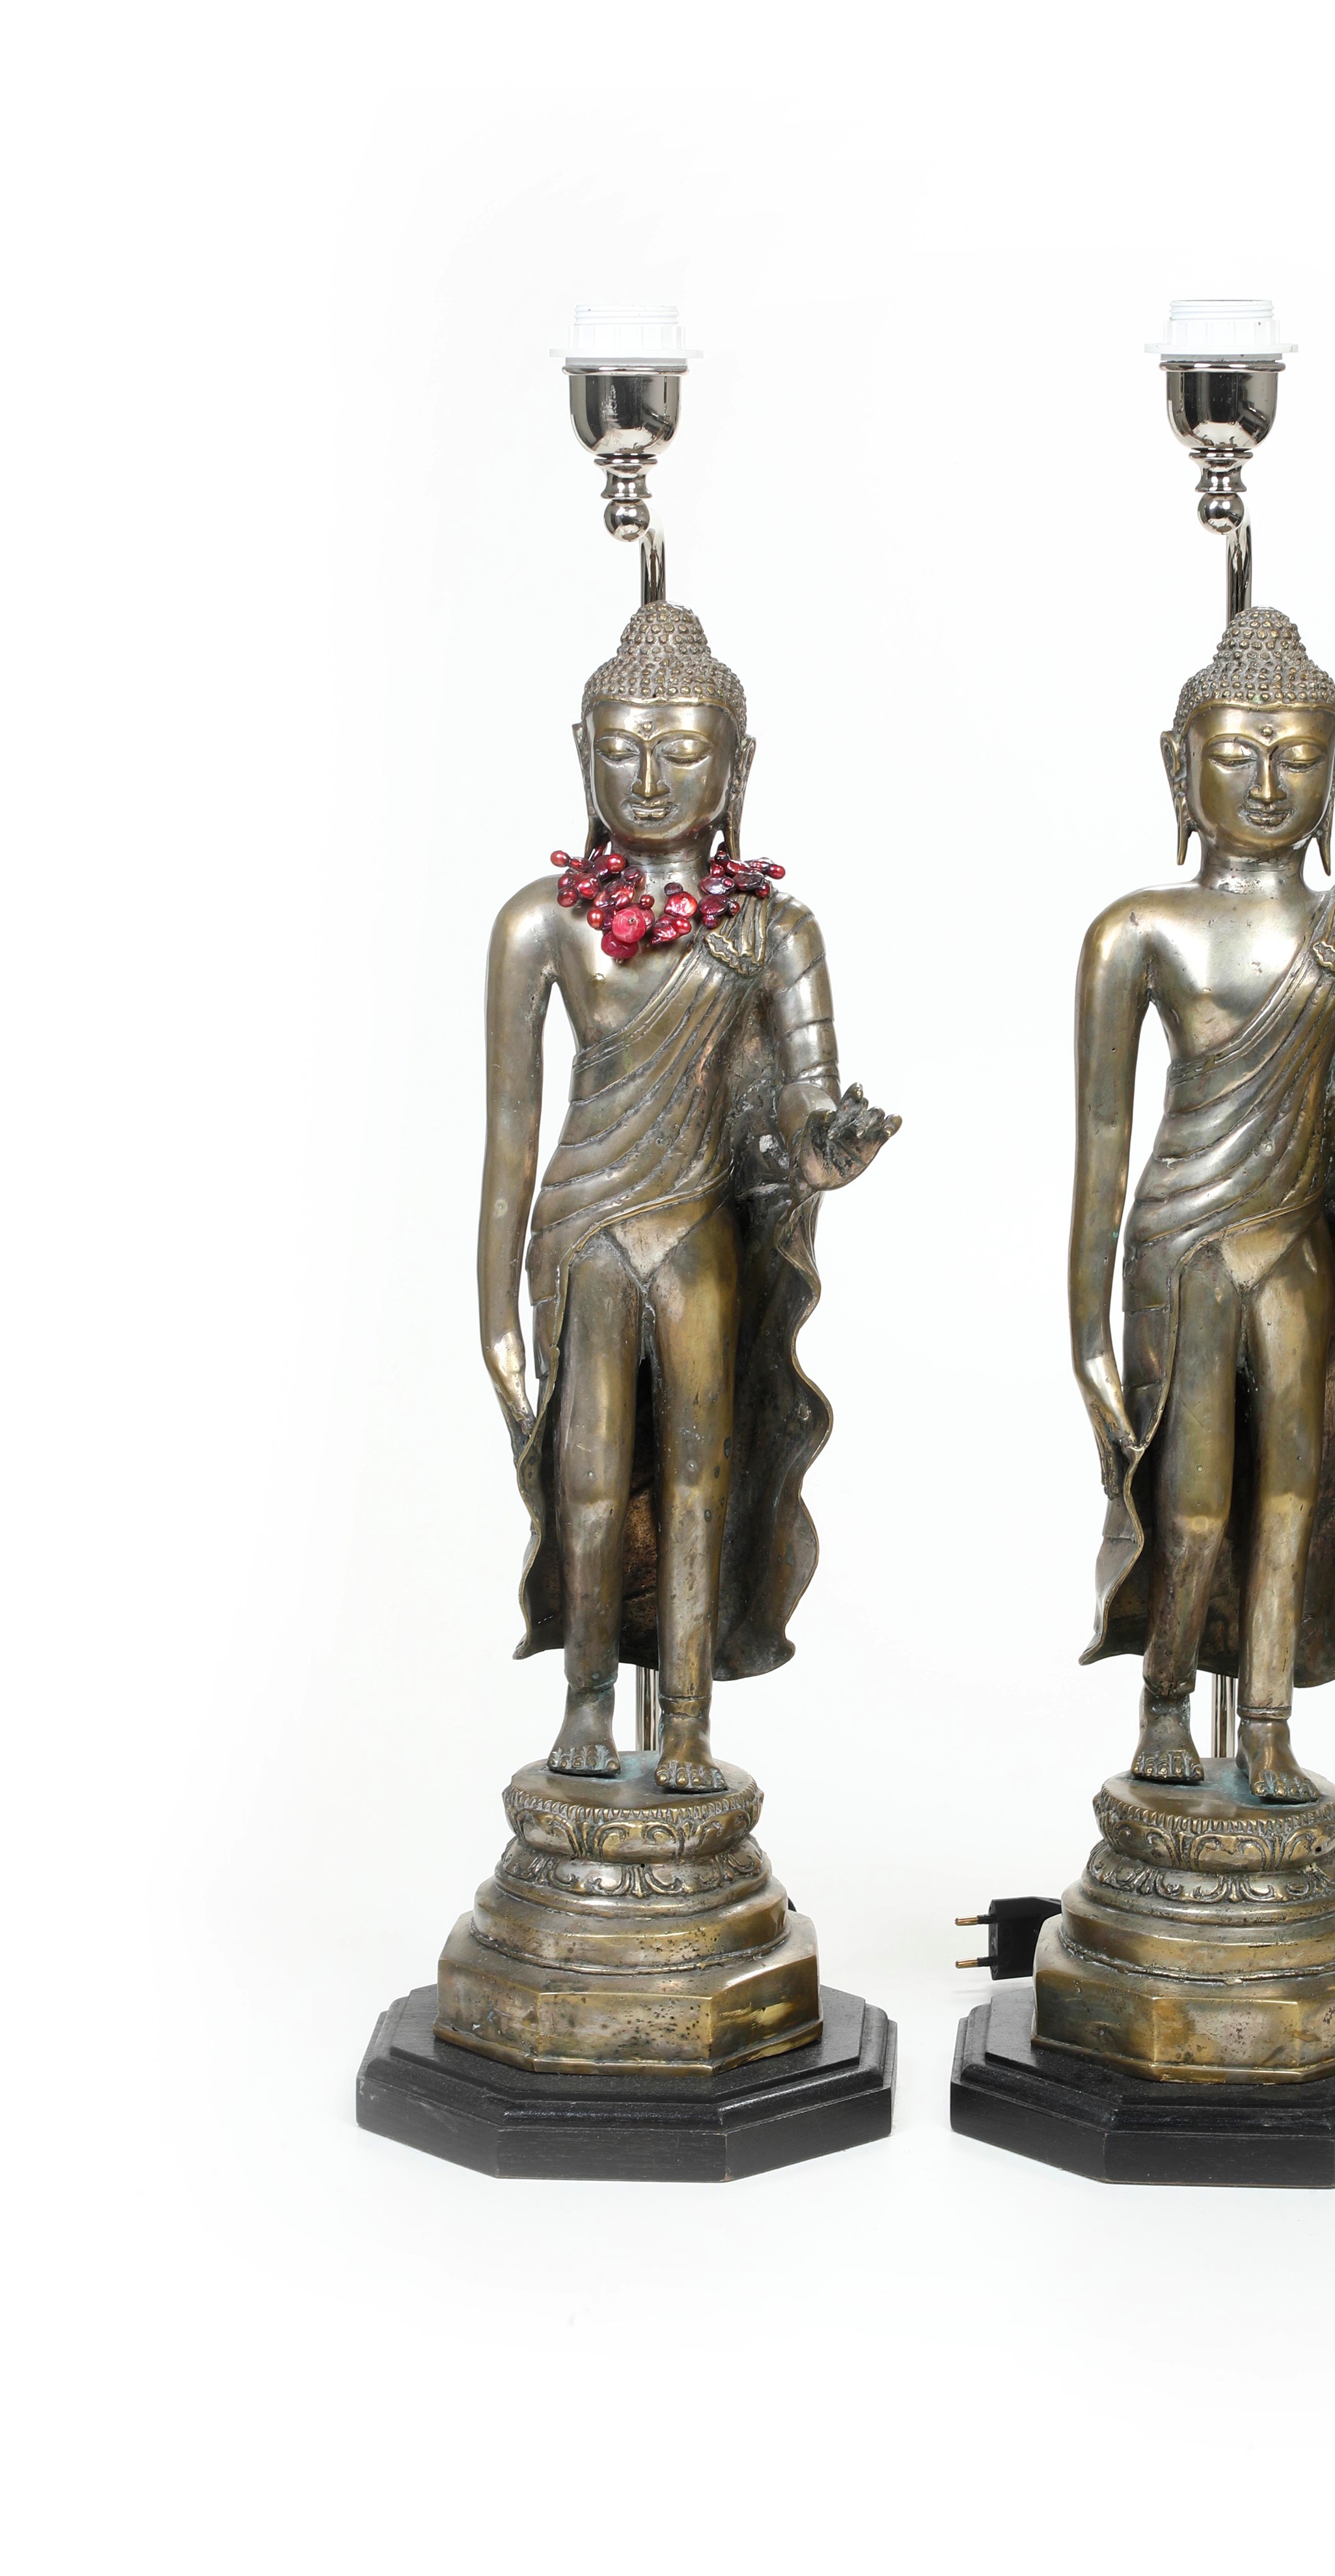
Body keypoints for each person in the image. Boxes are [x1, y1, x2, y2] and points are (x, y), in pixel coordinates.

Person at [1070, 607, 1335, 1803]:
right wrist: (1085, 1335)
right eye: (1237, 755)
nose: (1266, 784)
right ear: (1179, 765)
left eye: (1297, 757)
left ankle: (1265, 1725)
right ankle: (1165, 1706)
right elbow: (1101, 1149)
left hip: (1297, 1246)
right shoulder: (1138, 931)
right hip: (1181, 1248)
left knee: (1293, 1492)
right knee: (1195, 1504)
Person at [479, 603, 895, 1794]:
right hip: (581, 1230)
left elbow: (805, 1105)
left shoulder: (773, 933)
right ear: (583, 753)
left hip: (700, 1229)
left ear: (736, 767)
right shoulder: (543, 923)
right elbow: (509, 1140)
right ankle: (587, 1698)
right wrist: (495, 1320)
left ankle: (689, 1717)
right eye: (623, 750)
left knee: (704, 1474)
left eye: (681, 752)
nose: (651, 780)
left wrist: (830, 1149)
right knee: (591, 1477)